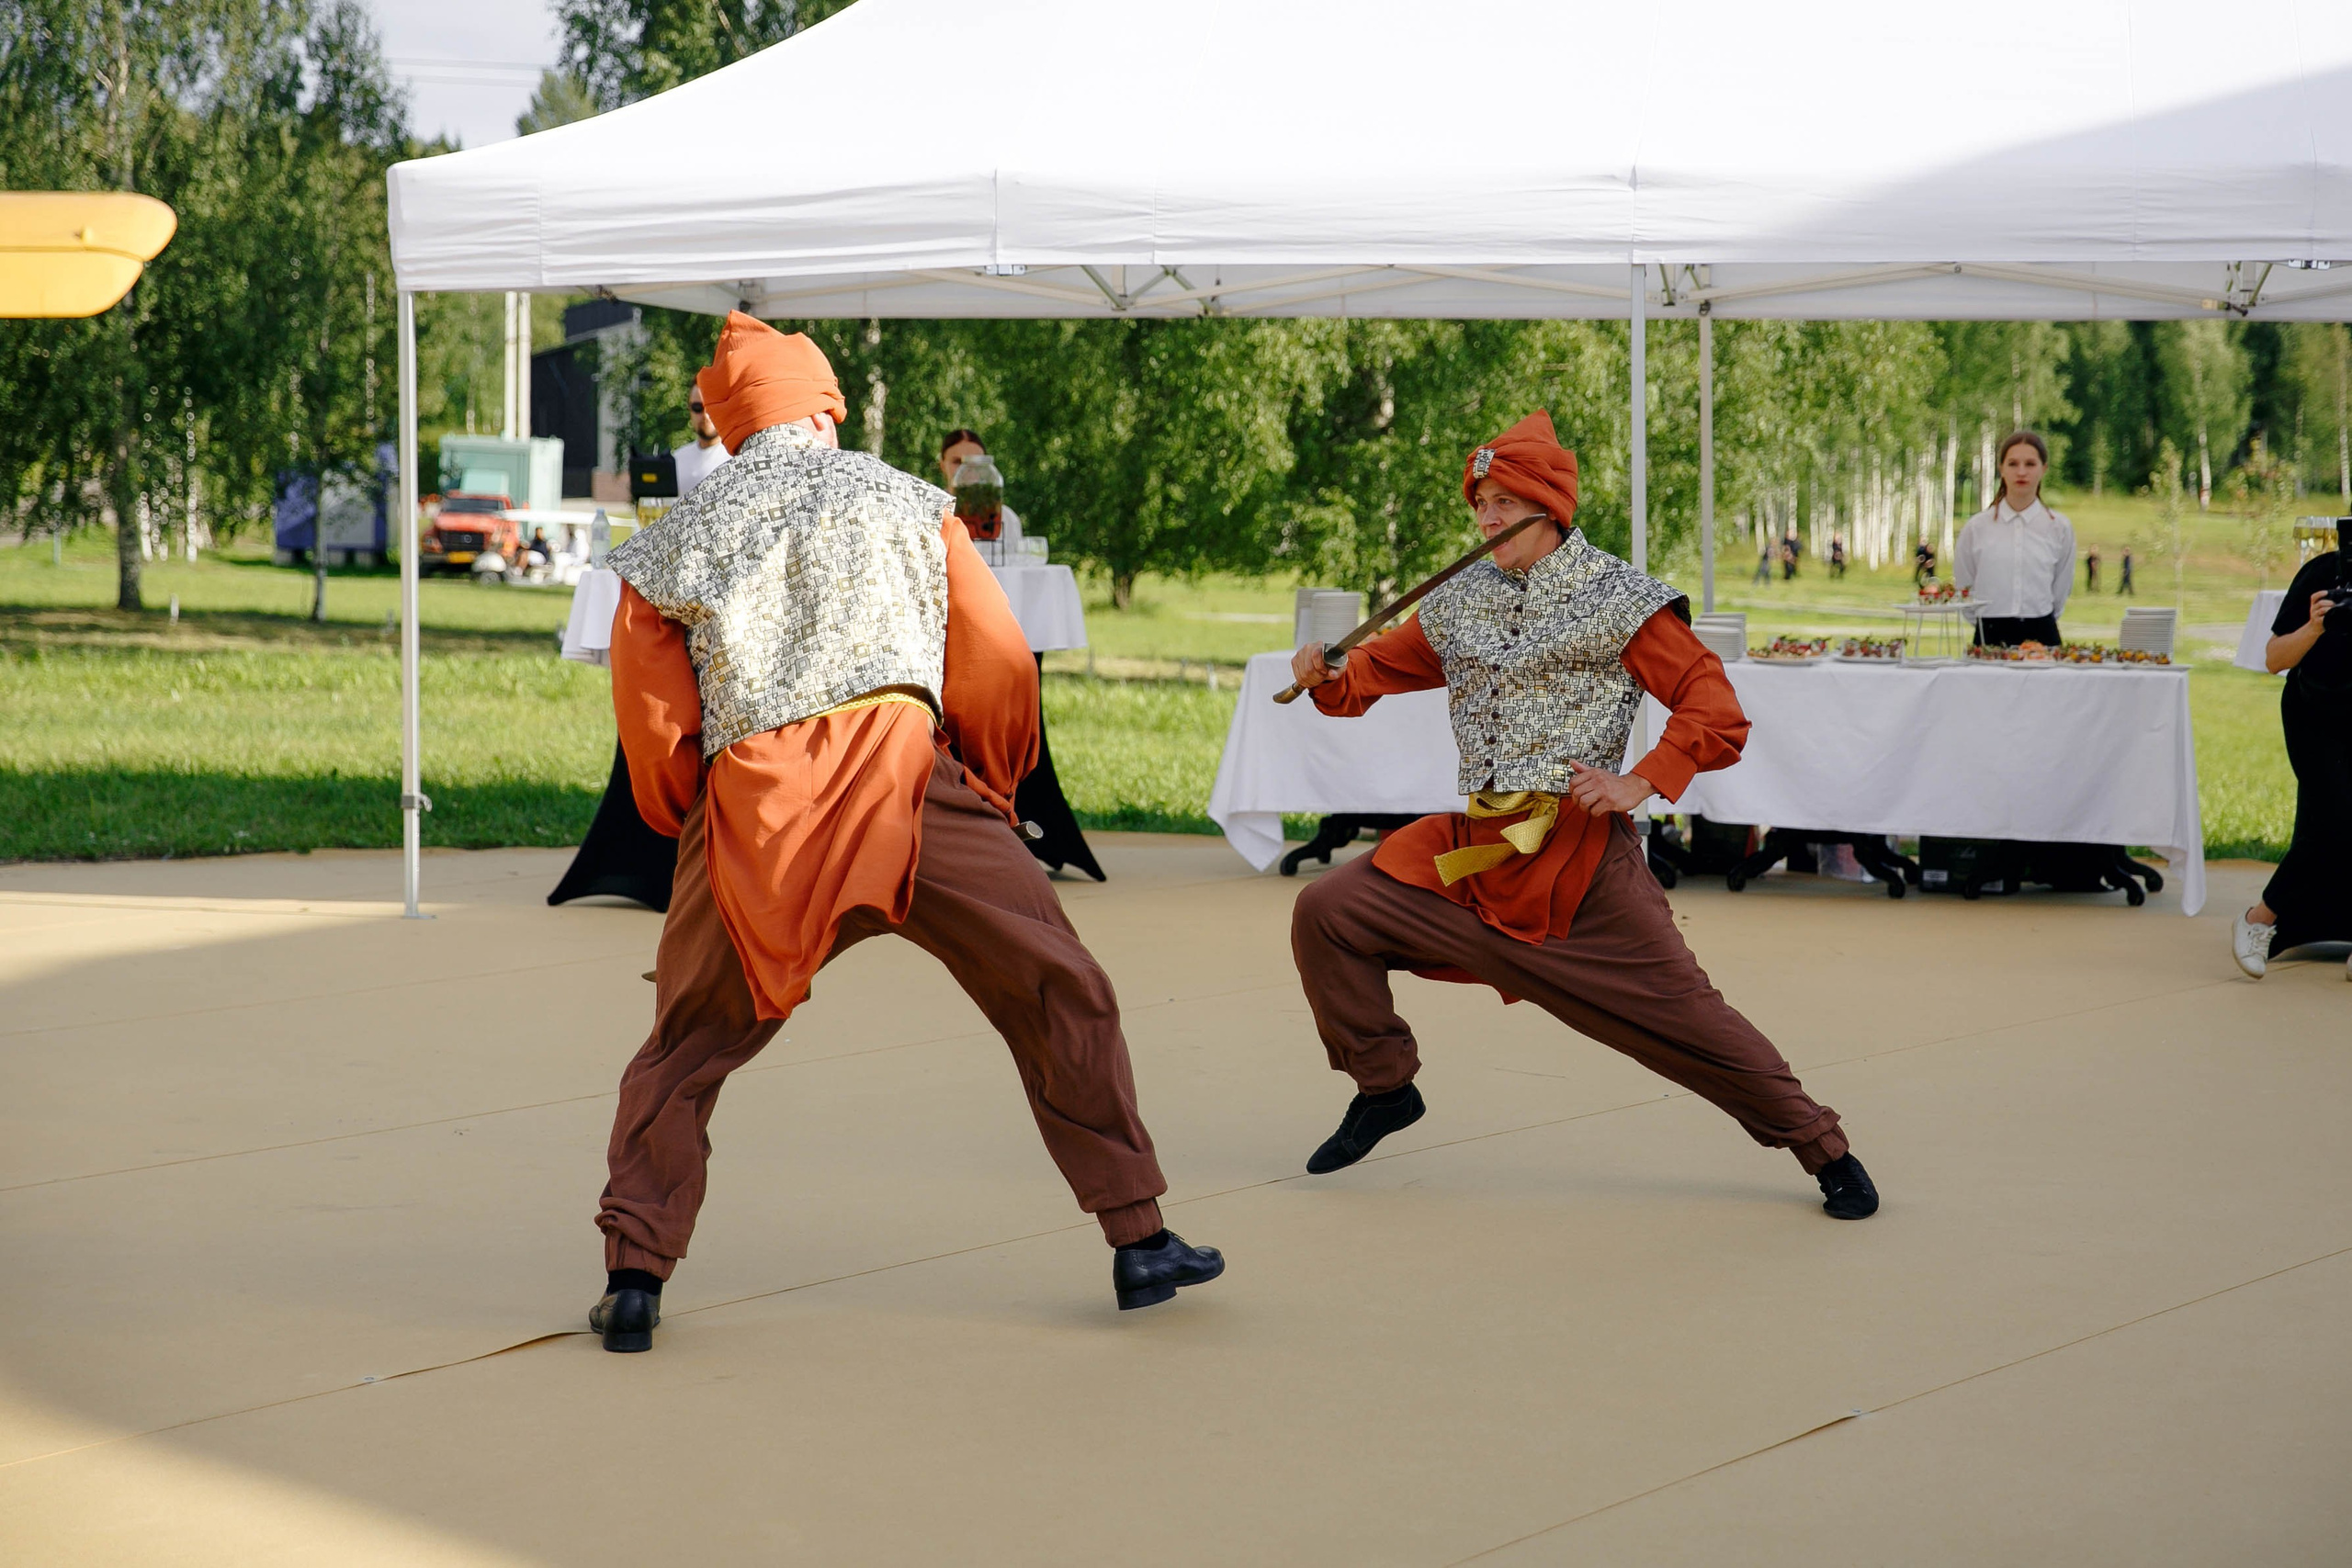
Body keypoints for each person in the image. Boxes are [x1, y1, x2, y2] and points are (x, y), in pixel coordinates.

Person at [588, 314, 1222, 1351]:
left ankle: (634, 1278)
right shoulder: (906, 496)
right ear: (825, 409)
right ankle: (1138, 1237)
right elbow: (997, 663)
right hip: (908, 784)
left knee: (687, 1045)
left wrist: (686, 821)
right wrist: (995, 784)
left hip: (762, 809)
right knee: (1056, 984)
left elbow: (653, 716)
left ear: (734, 426)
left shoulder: (674, 539)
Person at [1283, 410, 1879, 1223]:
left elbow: (1716, 707)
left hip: (1581, 868)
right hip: (1476, 857)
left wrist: (1643, 781)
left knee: (1692, 1024)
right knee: (1329, 911)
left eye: (1502, 501)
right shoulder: (1461, 602)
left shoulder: (1619, 598)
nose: (1486, 518)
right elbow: (1368, 678)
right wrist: (1325, 673)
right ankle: (1385, 1086)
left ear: (1547, 505)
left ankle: (1822, 1145)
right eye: (1478, 501)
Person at [2233, 541, 2352, 980]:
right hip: (2314, 711)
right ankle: (2259, 919)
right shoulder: (2323, 572)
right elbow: (2273, 658)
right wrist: (2316, 627)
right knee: (2335, 819)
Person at [1955, 430, 2073, 646]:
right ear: (2001, 469)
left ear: (2043, 469)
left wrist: (2041, 614)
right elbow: (1965, 583)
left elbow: (2061, 585)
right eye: (2012, 464)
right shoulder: (1977, 527)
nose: (2021, 472)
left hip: (2042, 632)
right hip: (1989, 633)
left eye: (2030, 464)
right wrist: (1985, 621)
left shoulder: (2059, 527)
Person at [938, 427, 1023, 549]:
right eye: (957, 462)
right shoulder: (930, 514)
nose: (967, 469)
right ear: (942, 465)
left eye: (976, 462)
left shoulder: (1007, 519)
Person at [671, 386, 729, 498]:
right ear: (689, 409)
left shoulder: (737, 456)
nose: (706, 415)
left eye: (712, 406)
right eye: (698, 407)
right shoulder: (675, 460)